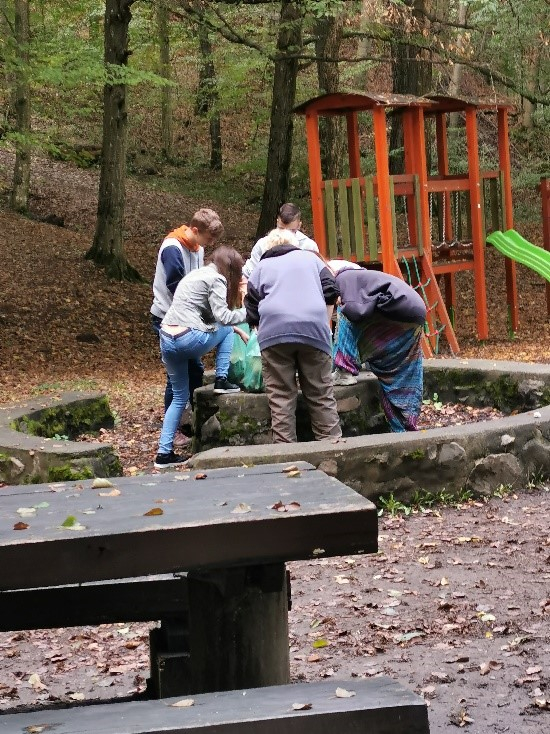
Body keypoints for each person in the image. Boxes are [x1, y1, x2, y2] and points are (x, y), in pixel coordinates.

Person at [244, 230, 342, 443]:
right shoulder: (311, 259)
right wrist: (324, 322)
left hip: (274, 335)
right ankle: (332, 448)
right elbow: (331, 289)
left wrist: (263, 332)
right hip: (314, 331)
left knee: (280, 397)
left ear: (268, 249)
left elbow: (251, 306)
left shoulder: (260, 268)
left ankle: (287, 455)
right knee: (321, 393)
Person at [154, 246, 246, 468]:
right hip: (187, 337)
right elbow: (223, 317)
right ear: (231, 269)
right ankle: (221, 380)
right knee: (226, 329)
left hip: (167, 336)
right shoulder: (217, 279)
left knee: (178, 397)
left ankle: (163, 454)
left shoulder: (197, 274)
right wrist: (251, 311)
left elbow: (206, 314)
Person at [150, 209, 224, 435]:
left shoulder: (198, 249)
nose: (210, 244)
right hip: (168, 318)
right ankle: (176, 429)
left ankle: (187, 422)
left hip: (188, 318)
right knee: (180, 374)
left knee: (193, 370)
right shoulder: (172, 248)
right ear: (194, 230)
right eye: (208, 238)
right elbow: (177, 288)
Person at [330, 262, 427, 432]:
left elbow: (353, 311)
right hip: (415, 312)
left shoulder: (342, 279)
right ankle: (403, 428)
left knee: (345, 310)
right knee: (399, 374)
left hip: (397, 311)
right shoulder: (361, 278)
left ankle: (344, 371)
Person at [242, 202, 319, 279]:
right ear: (277, 222)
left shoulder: (309, 247)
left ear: (299, 225)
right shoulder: (263, 245)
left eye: (291, 231)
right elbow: (248, 275)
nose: (285, 236)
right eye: (281, 229)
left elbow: (317, 276)